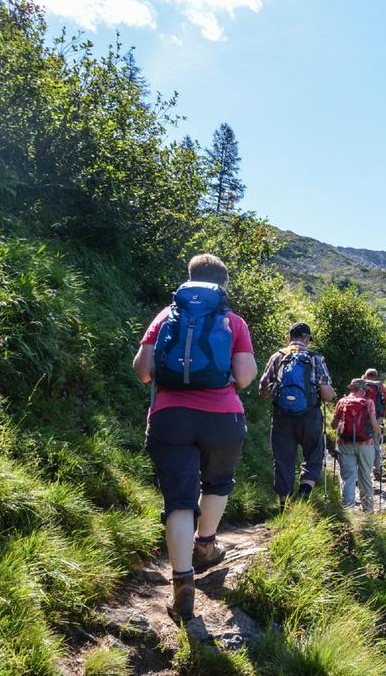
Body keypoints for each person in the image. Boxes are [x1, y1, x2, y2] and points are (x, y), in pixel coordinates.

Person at [132, 253, 257, 623]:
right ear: (224, 285)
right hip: (222, 417)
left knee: (179, 500)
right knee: (218, 482)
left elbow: (143, 371)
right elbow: (246, 376)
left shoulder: (166, 316)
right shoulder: (232, 321)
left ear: (189, 278)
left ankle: (182, 584)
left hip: (170, 417)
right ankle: (206, 546)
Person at [258, 322, 335, 509]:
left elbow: (263, 390)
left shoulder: (278, 356)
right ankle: (303, 496)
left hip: (282, 416)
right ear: (307, 339)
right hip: (309, 415)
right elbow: (326, 394)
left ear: (289, 337)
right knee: (314, 455)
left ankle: (284, 505)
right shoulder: (315, 357)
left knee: (283, 459)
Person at [331, 379, 381, 512]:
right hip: (366, 444)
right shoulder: (368, 402)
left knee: (348, 477)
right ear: (363, 389)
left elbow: (333, 425)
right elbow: (375, 425)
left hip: (345, 444)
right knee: (365, 475)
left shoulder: (342, 402)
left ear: (351, 388)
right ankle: (368, 510)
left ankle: (348, 510)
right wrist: (381, 430)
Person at [363, 368, 386, 480]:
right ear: (376, 377)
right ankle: (377, 471)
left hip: (362, 419)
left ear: (365, 376)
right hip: (378, 418)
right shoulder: (381, 387)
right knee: (376, 445)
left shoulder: (360, 384)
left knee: (361, 442)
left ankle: (361, 472)